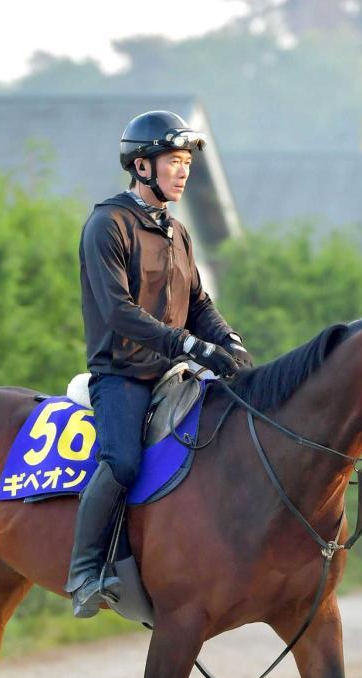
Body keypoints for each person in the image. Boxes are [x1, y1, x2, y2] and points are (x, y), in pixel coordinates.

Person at [65, 109, 253, 618]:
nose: (183, 170)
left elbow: (198, 306)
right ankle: (84, 571)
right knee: (123, 462)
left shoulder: (178, 232)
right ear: (142, 166)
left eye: (187, 161)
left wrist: (229, 343)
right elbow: (118, 312)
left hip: (174, 375)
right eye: (174, 160)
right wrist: (189, 347)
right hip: (121, 376)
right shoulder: (108, 224)